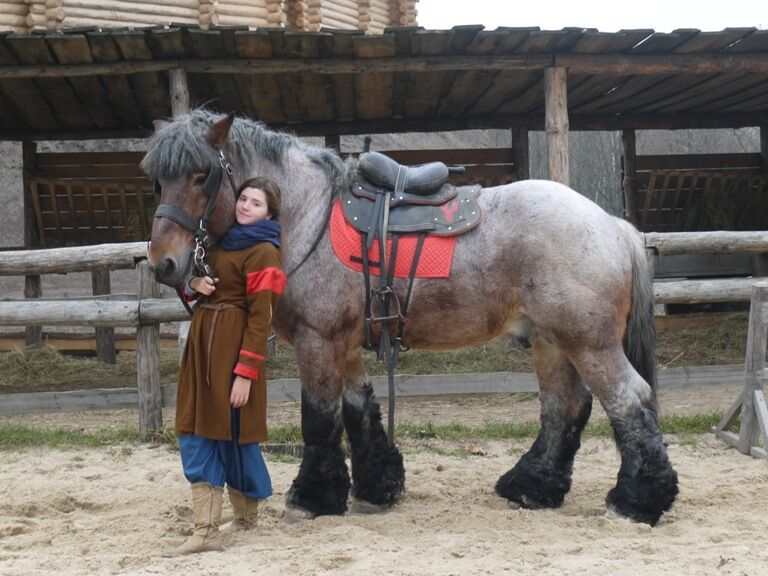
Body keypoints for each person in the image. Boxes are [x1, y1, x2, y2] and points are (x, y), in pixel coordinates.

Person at [172, 177, 286, 555]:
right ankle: (206, 530)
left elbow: (260, 318)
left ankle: (244, 520)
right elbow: (193, 281)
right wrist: (195, 282)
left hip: (234, 351)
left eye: (255, 203)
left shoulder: (265, 252)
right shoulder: (218, 242)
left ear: (269, 213)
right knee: (195, 427)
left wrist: (245, 374)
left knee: (237, 433)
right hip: (204, 346)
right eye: (243, 198)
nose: (245, 205)